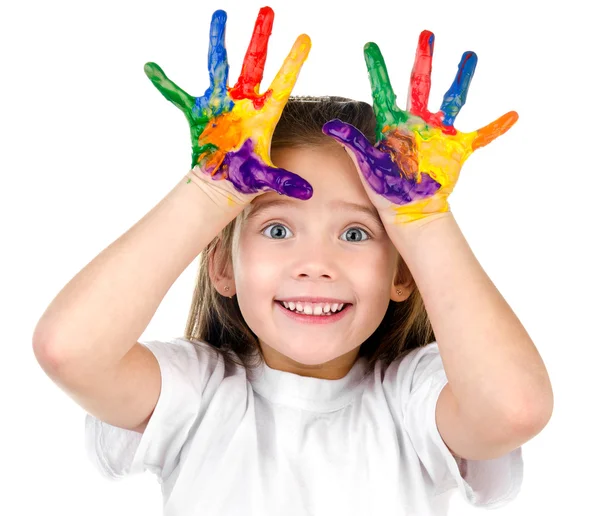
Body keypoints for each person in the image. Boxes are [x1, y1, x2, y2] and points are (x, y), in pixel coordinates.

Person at [32, 6, 553, 516]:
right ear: (223, 268)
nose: (316, 263)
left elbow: (514, 410)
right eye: (278, 229)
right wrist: (210, 191)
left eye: (354, 232)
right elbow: (69, 350)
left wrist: (424, 221)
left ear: (402, 273)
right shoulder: (195, 394)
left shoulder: (415, 400)